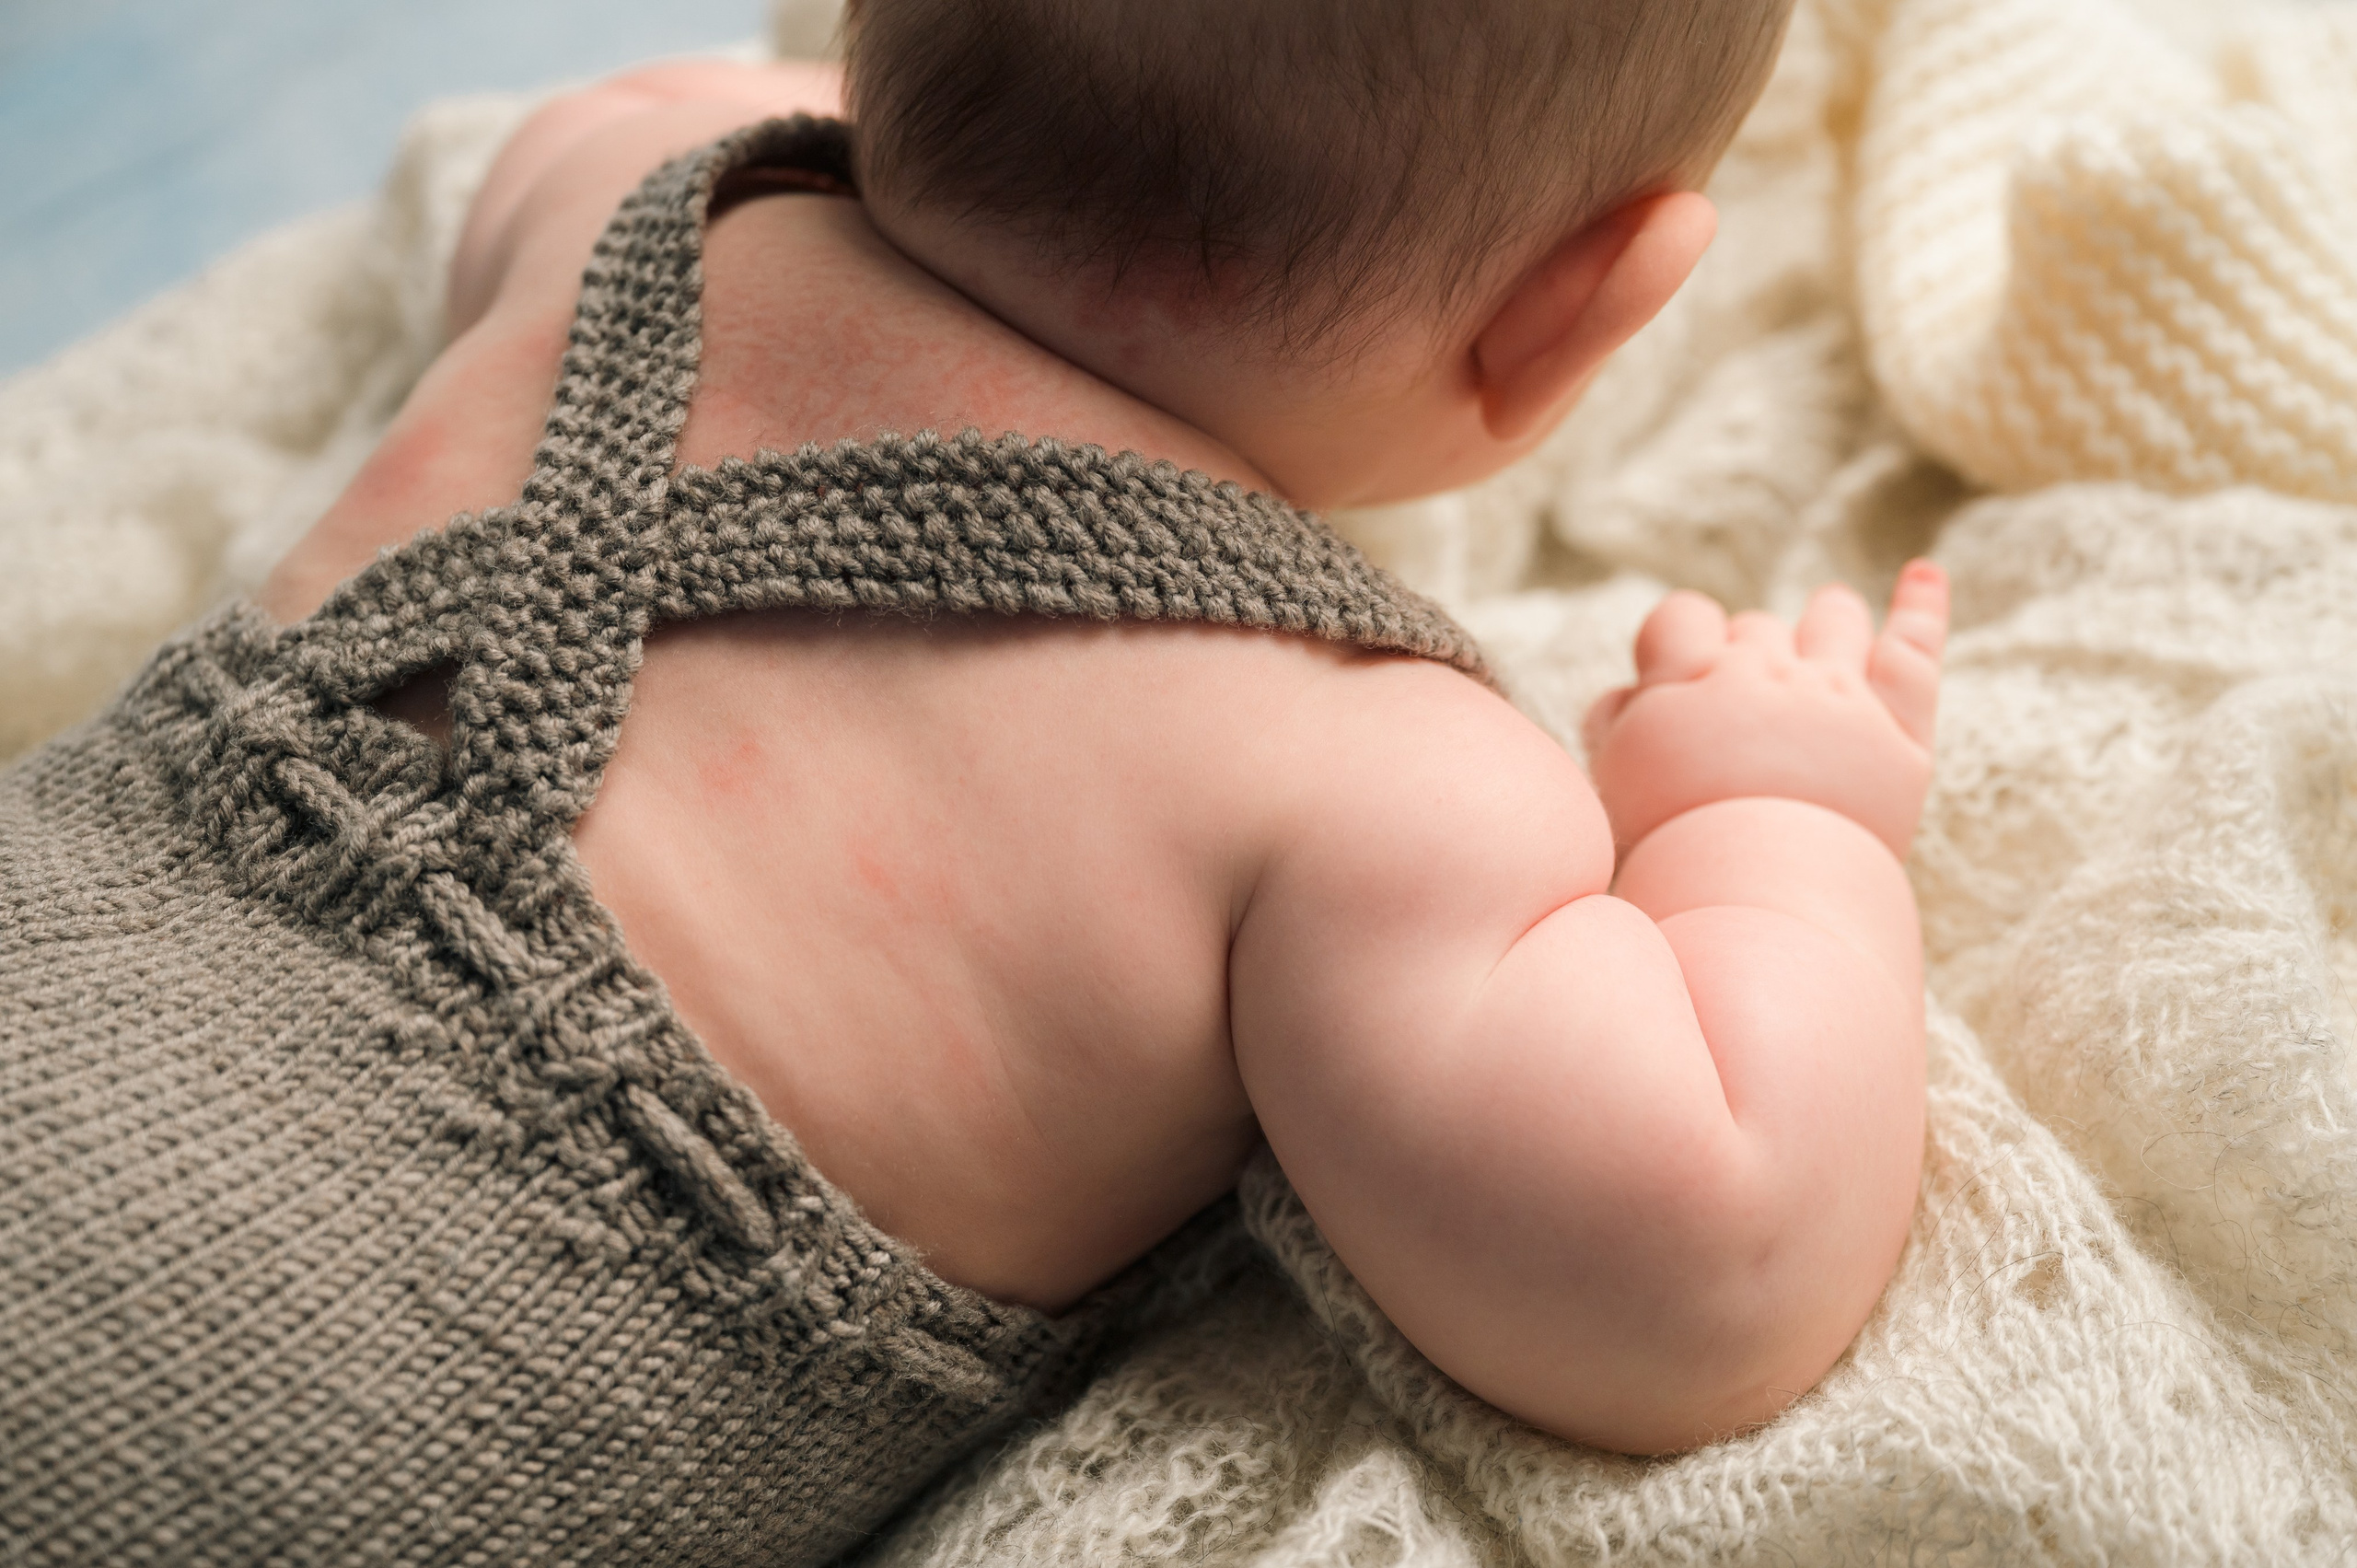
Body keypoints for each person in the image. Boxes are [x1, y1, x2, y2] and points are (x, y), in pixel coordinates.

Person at [1, 3, 1945, 1562]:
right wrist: (1769, 814)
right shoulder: (1363, 765)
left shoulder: (651, 201)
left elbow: (586, 120)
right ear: (1582, 306)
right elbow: (1706, 1261)